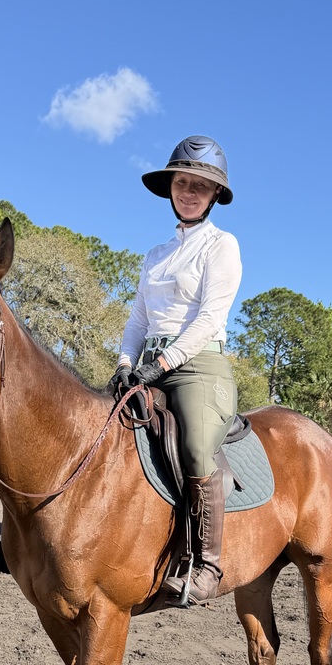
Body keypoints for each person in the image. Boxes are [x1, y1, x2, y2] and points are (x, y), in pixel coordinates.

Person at [111, 135, 242, 606]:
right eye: (182, 182)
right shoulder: (155, 255)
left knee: (193, 445)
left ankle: (207, 564)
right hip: (149, 364)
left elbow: (209, 319)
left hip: (199, 367)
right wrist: (126, 362)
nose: (189, 192)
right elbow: (138, 321)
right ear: (170, 188)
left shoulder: (222, 247)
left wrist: (161, 363)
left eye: (200, 186)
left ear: (213, 197)